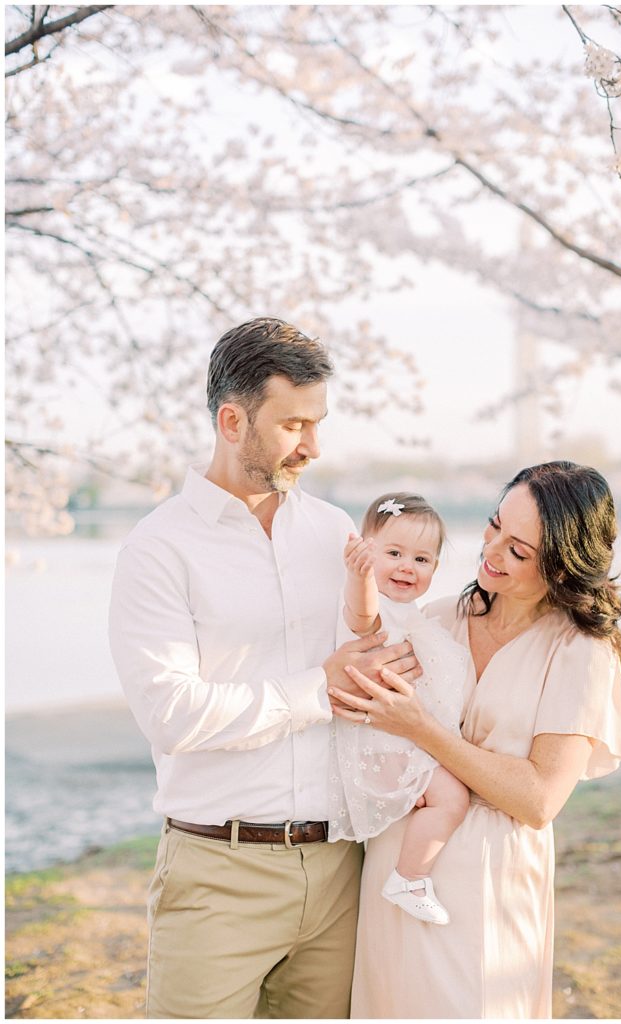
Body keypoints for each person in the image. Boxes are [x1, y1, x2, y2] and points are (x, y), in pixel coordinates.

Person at [108, 317, 421, 1020]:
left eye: (319, 424)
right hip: (219, 874)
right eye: (293, 425)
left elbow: (374, 656)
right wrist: (320, 688)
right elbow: (172, 716)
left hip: (341, 868)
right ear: (231, 420)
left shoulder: (338, 531)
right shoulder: (158, 550)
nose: (312, 445)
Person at [327, 461, 621, 1019]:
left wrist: (421, 729)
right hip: (397, 862)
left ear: (564, 565)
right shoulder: (439, 618)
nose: (491, 553)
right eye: (494, 527)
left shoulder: (579, 652)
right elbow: (363, 699)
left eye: (518, 551)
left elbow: (540, 800)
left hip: (490, 883)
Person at [329, 492, 470, 925]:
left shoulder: (414, 615)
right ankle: (409, 878)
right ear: (368, 553)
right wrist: (361, 577)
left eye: (422, 559)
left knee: (450, 793)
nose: (408, 566)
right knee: (452, 798)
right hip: (384, 741)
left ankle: (408, 875)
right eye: (393, 553)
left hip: (400, 735)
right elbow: (363, 616)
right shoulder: (373, 608)